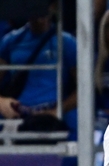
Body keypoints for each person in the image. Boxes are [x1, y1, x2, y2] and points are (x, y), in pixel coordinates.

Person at [0, 3, 78, 138]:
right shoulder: (11, 41)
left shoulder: (67, 42)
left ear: (53, 7)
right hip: (19, 113)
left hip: (53, 114)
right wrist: (1, 102)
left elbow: (85, 88)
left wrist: (58, 110)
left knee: (76, 121)